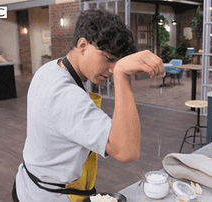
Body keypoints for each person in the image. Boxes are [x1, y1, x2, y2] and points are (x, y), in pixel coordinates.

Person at [12, 9, 165, 201]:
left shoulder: (50, 68)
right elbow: (127, 151)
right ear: (82, 45)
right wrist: (122, 74)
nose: (111, 69)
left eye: (117, 62)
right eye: (109, 59)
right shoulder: (66, 95)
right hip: (47, 195)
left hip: (27, 181)